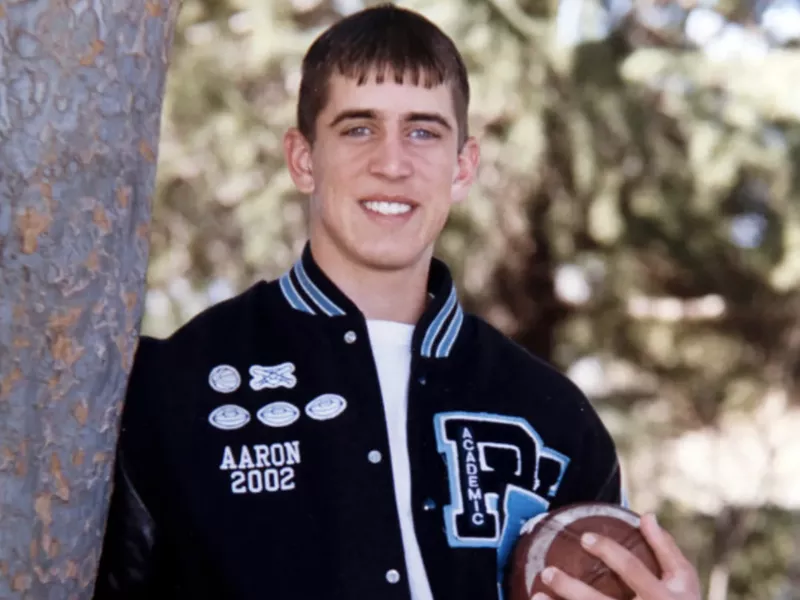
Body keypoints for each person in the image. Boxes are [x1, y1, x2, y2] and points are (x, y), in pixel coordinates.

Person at [92, 4, 701, 600]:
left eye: (422, 131)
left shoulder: (554, 419)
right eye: (358, 128)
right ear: (303, 160)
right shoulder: (175, 386)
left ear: (463, 168)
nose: (391, 162)